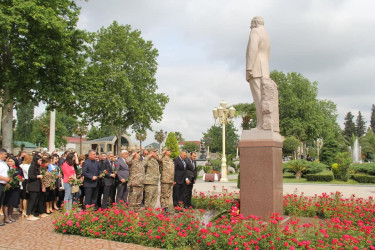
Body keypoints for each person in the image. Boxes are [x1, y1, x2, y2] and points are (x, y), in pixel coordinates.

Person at [246, 16, 279, 132]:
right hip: (265, 69)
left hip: (256, 68)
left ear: (255, 23)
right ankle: (265, 124)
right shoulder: (266, 35)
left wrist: (249, 68)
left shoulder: (255, 32)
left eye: (251, 24)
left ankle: (261, 125)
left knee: (258, 98)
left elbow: (252, 50)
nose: (250, 26)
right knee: (264, 98)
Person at [3, 156, 24, 223]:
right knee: (6, 202)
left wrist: (20, 179)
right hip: (8, 186)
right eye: (9, 161)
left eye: (11, 161)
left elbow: (21, 176)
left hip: (15, 187)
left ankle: (10, 215)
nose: (10, 162)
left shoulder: (19, 169)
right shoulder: (7, 168)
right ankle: (6, 217)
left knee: (12, 202)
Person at [26, 154, 44, 221]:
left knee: (36, 201)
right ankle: (29, 214)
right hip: (32, 186)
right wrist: (38, 176)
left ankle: (32, 213)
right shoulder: (32, 166)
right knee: (32, 201)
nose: (40, 162)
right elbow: (30, 176)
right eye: (39, 160)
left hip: (37, 186)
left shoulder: (37, 167)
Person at [159, 147, 174, 213]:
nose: (170, 151)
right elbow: (158, 159)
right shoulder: (162, 159)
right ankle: (163, 208)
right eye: (168, 150)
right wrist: (162, 153)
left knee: (168, 195)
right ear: (165, 151)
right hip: (165, 180)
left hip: (170, 180)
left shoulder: (170, 160)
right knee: (163, 195)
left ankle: (167, 208)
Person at [0, 149, 10, 226]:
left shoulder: (3, 163)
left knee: (1, 202)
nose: (6, 156)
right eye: (5, 154)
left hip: (4, 185)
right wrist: (4, 179)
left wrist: (7, 182)